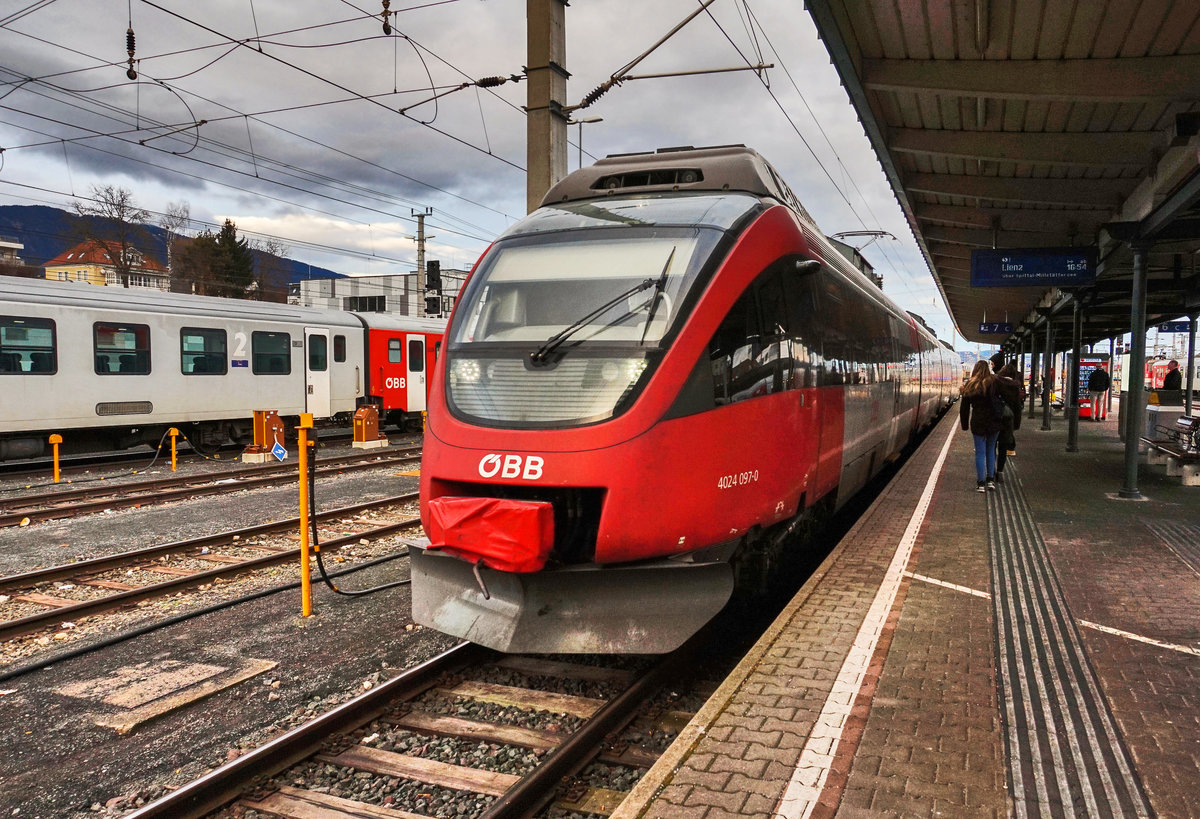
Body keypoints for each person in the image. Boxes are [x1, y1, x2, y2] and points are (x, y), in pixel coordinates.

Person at [960, 360, 1003, 493]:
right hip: (994, 421)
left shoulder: (971, 384)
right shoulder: (995, 382)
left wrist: (964, 424)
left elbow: (964, 408)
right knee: (991, 450)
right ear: (988, 369)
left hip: (978, 421)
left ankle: (980, 484)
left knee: (980, 452)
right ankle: (990, 480)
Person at [994, 362, 1022, 481]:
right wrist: (1016, 425)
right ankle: (1000, 472)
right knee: (1003, 449)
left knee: (992, 446)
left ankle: (991, 472)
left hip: (995, 419)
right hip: (1008, 421)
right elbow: (1017, 407)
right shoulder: (1015, 386)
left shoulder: (996, 383)